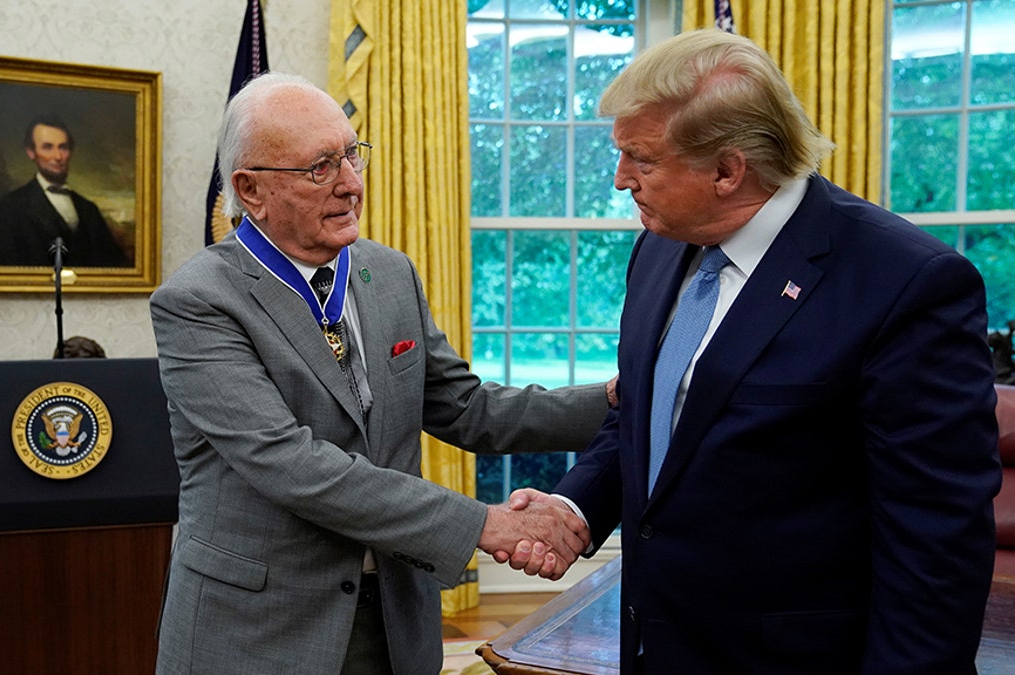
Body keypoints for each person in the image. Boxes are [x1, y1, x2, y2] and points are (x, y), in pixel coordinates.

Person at [507, 28, 1002, 674]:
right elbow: (649, 414)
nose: (620, 179)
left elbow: (936, 545)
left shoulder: (904, 283)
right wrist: (576, 507)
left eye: (641, 159)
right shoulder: (659, 247)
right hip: (655, 647)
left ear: (726, 170)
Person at [148, 72, 615, 675]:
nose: (351, 184)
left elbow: (466, 408)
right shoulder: (198, 302)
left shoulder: (387, 273)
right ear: (251, 189)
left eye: (352, 154)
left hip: (396, 621)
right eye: (320, 167)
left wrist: (616, 398)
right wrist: (485, 524)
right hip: (259, 632)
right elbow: (294, 465)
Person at [0, 114, 130, 267]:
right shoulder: (9, 208)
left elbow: (115, 266)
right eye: (48, 147)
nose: (58, 156)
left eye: (63, 147)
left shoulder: (89, 210)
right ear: (31, 152)